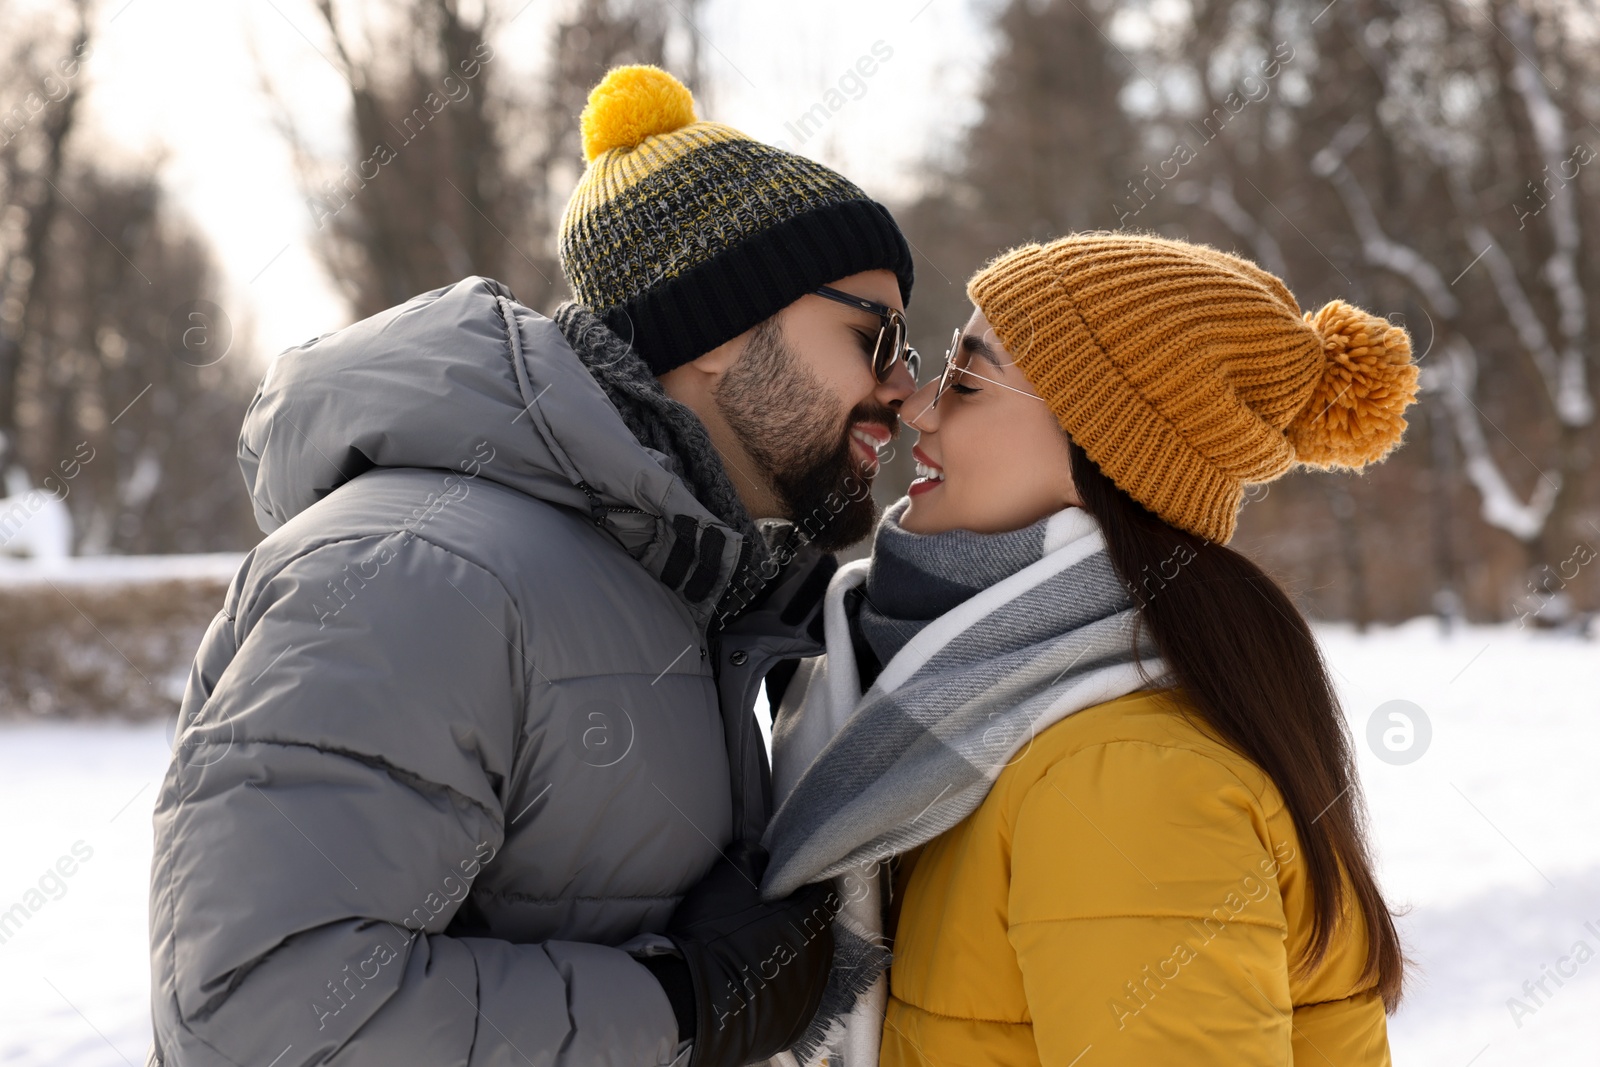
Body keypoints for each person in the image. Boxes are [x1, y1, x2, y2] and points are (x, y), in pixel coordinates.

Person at [145, 65, 918, 1067]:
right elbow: (259, 1017)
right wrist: (686, 1003)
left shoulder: (673, 588)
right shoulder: (418, 570)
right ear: (726, 329)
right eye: (875, 335)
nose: (907, 387)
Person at [761, 232, 1418, 1066]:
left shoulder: (1127, 778)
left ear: (1100, 451)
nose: (919, 407)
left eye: (967, 380)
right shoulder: (991, 711)